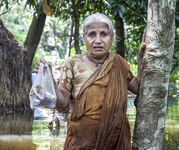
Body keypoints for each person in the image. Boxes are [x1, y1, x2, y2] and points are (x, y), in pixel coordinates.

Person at [34, 13, 146, 150]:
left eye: (104, 34)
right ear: (84, 38)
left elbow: (140, 89)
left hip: (115, 143)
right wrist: (50, 79)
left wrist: (141, 60)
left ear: (111, 38)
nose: (98, 40)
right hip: (80, 144)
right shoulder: (73, 63)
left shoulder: (119, 64)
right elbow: (61, 105)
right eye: (92, 34)